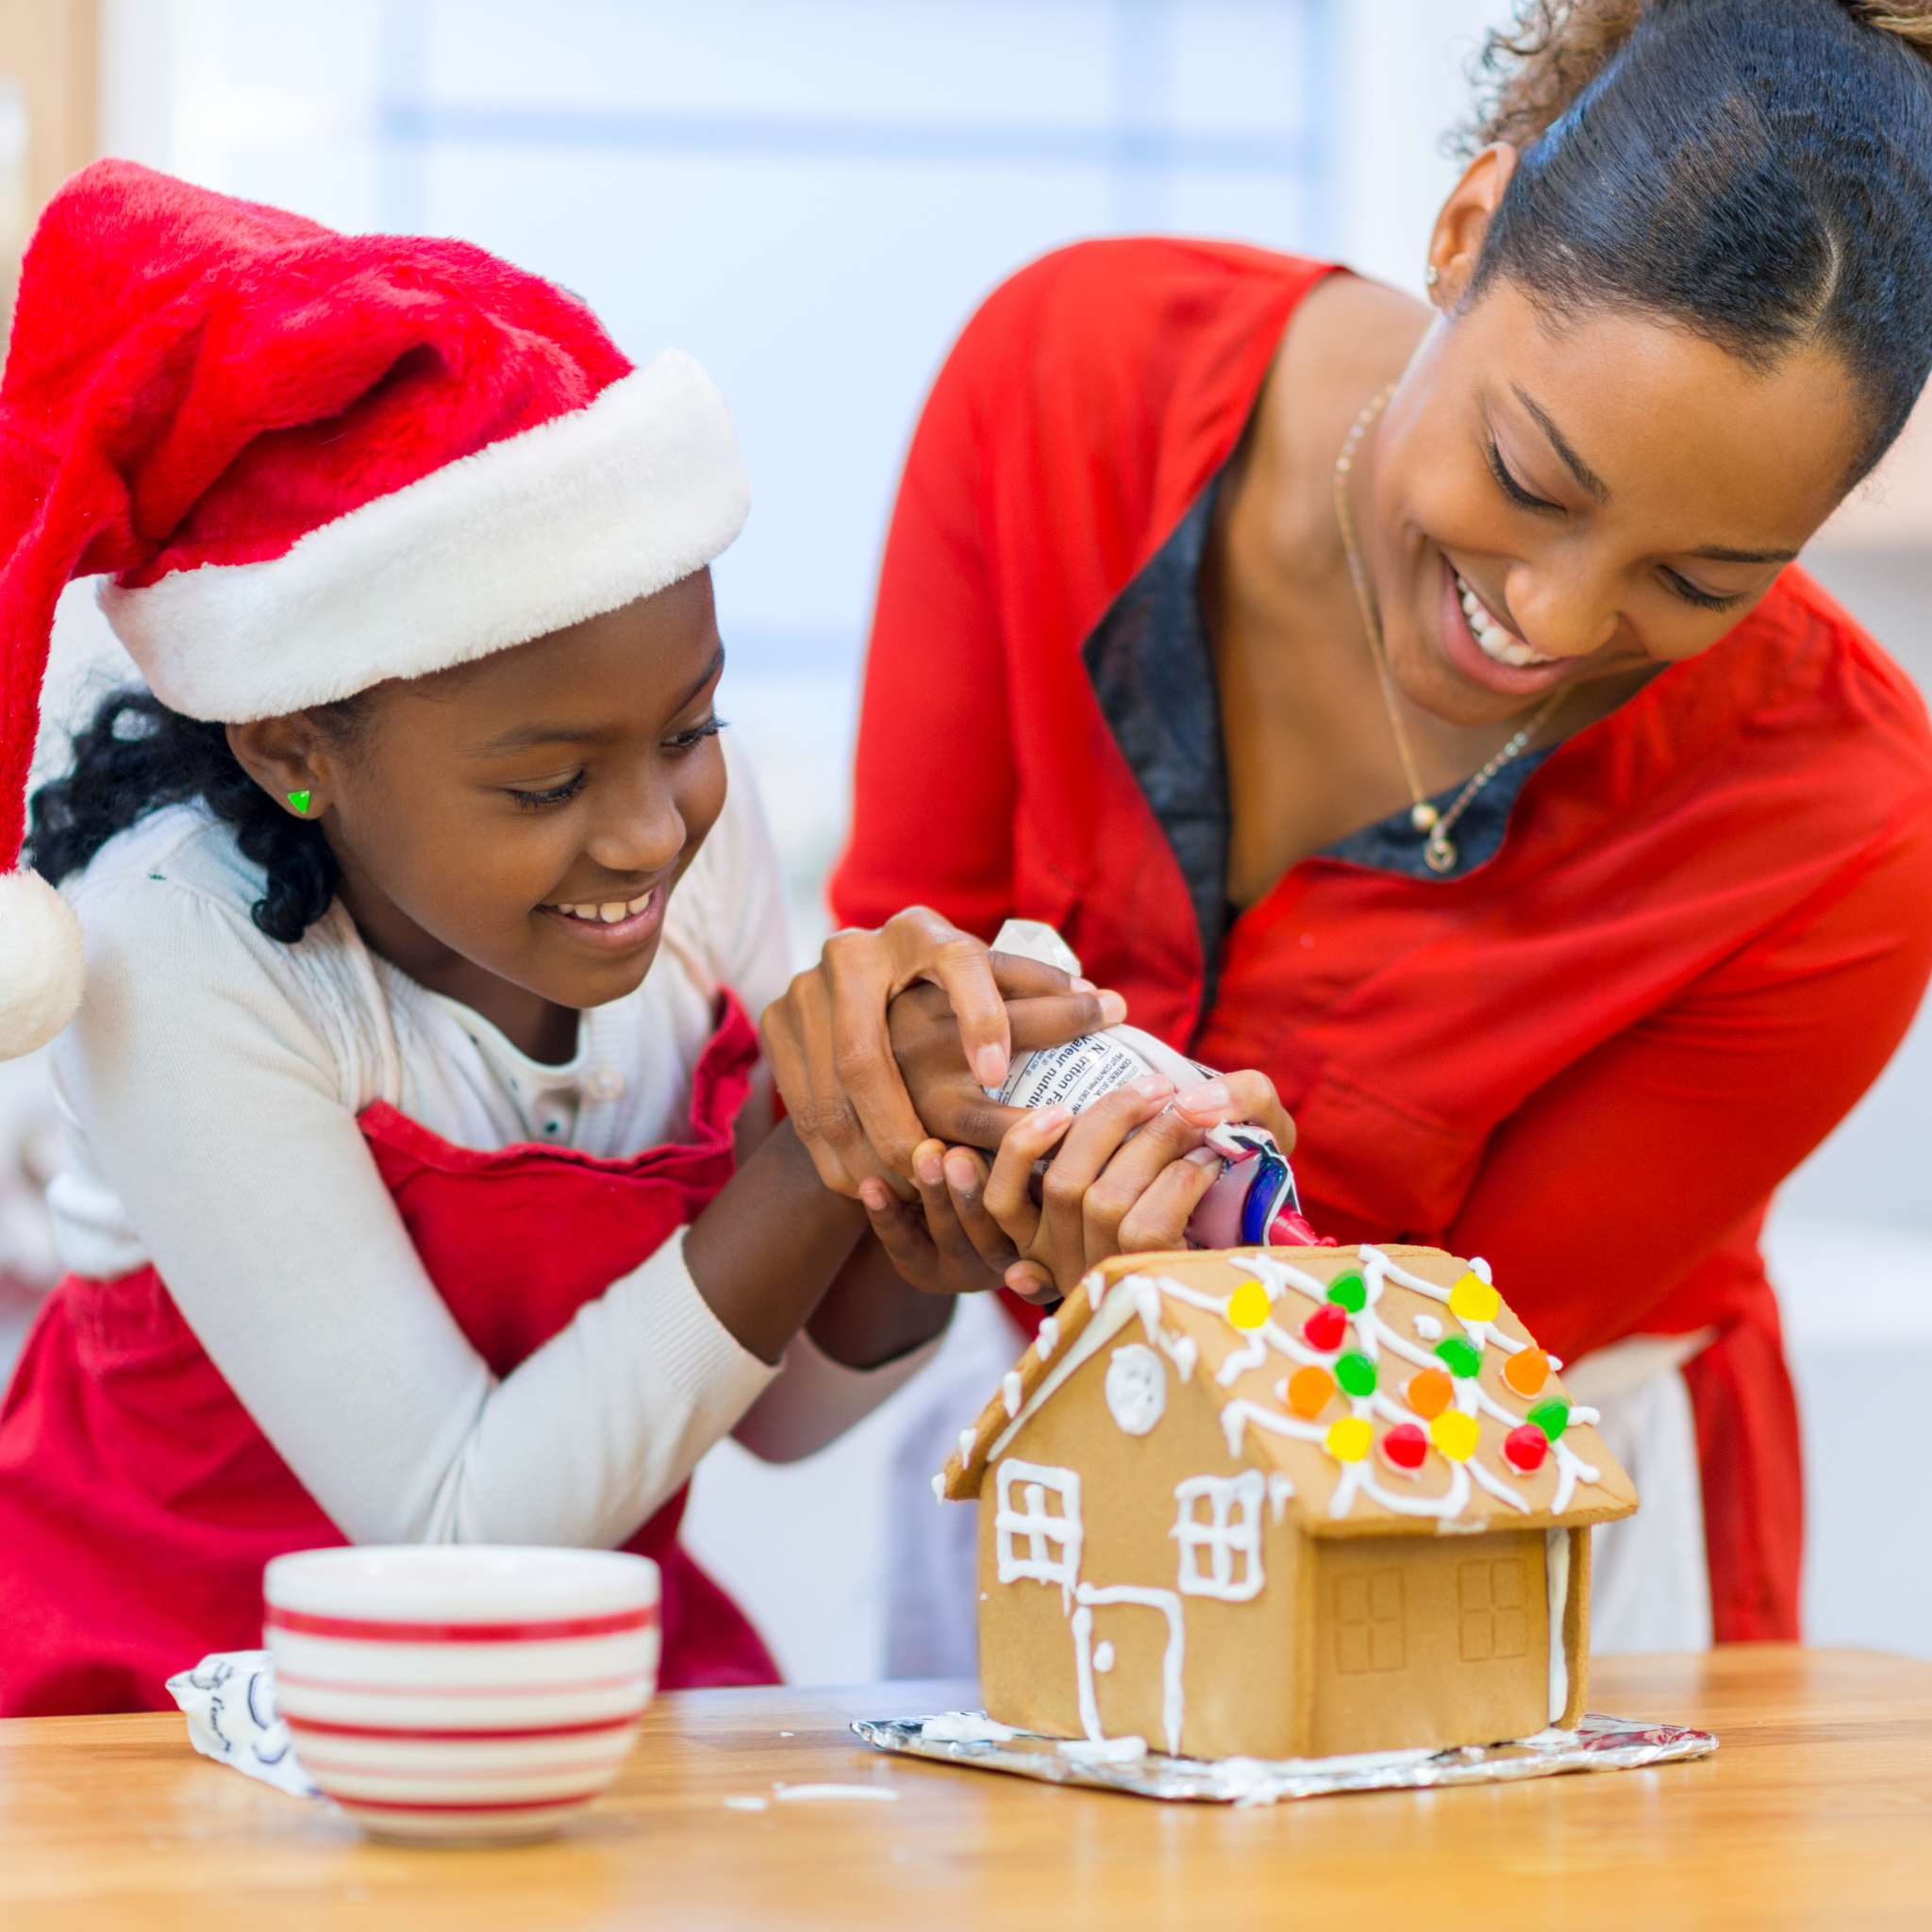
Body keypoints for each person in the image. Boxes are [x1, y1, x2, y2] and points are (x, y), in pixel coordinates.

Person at [0, 163, 1253, 1716]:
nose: (653, 833)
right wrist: (812, 1164)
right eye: (547, 784)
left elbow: (774, 1418)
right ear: (290, 749)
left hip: (572, 1673)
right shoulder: (173, 950)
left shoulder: (685, 859)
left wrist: (913, 1188)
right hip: (168, 1701)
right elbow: (453, 1534)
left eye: (690, 729)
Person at [783, 0, 1932, 1652]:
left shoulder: (1843, 838)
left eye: (1701, 579)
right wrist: (902, 1078)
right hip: (1061, 1454)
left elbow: (1441, 1382)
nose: (1553, 618)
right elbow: (900, 987)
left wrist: (1188, 1260)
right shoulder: (1071, 381)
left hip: (1524, 1537)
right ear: (1464, 228)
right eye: (1530, 479)